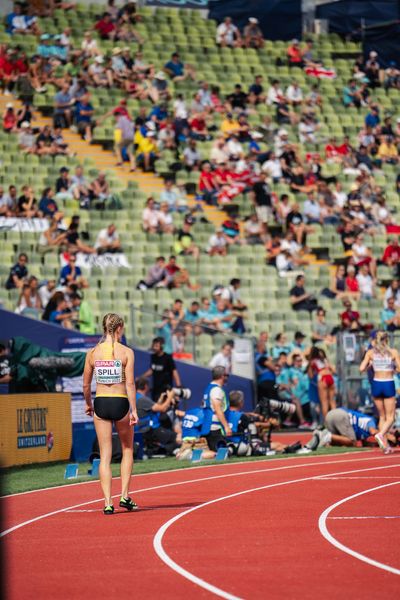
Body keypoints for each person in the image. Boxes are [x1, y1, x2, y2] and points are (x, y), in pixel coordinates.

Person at [83, 313, 138, 515]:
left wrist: (89, 404)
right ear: (119, 329)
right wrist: (134, 410)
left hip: (101, 403)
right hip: (121, 402)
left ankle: (108, 502)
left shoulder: (92, 353)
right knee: (127, 449)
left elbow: (86, 385)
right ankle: (124, 495)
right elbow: (130, 383)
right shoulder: (127, 352)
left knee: (105, 455)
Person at [359, 330, 400, 453]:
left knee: (382, 416)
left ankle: (385, 447)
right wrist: (393, 368)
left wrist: (370, 365)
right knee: (390, 417)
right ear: (387, 340)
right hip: (387, 383)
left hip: (376, 383)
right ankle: (381, 434)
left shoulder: (370, 353)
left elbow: (361, 368)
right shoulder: (393, 352)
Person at [135, 377, 178, 456]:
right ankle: (162, 451)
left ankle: (157, 450)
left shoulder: (136, 397)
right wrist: (170, 397)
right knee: (175, 438)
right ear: (145, 386)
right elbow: (162, 409)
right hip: (150, 430)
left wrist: (161, 399)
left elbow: (153, 408)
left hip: (142, 429)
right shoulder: (142, 399)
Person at [200, 366, 232, 452]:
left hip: (208, 427)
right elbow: (218, 409)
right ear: (222, 376)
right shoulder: (216, 390)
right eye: (227, 375)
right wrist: (226, 426)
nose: (227, 377)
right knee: (222, 454)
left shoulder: (208, 388)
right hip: (215, 429)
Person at [141, 336, 181, 401]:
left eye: (156, 346)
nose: (154, 348)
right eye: (153, 346)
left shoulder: (168, 358)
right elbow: (152, 369)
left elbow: (174, 372)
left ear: (162, 346)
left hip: (166, 390)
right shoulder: (153, 357)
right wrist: (142, 377)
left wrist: (178, 387)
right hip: (155, 390)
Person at [308, 347, 336, 419]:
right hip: (330, 377)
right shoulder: (325, 360)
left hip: (322, 378)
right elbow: (333, 370)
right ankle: (335, 420)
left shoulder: (313, 362)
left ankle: (327, 423)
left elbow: (310, 376)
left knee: (324, 402)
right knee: (332, 401)